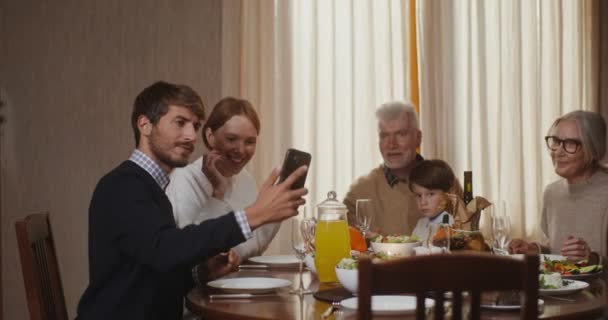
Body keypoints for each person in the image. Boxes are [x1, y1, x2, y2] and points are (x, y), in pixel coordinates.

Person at [75, 81, 307, 320]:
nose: (190, 136)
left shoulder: (150, 186)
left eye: (195, 126)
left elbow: (154, 268)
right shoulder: (123, 186)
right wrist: (254, 214)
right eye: (180, 123)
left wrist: (201, 273)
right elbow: (165, 249)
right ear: (144, 125)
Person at [166, 97, 279, 261]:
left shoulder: (245, 178)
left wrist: (276, 211)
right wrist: (218, 193)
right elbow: (199, 254)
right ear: (210, 136)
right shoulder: (185, 179)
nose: (241, 150)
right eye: (231, 139)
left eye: (250, 142)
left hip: (242, 282)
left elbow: (253, 250)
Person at [509, 110, 607, 267]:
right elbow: (559, 255)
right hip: (557, 290)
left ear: (594, 150)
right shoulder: (552, 193)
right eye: (555, 141)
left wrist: (592, 259)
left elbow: (587, 260)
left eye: (570, 143)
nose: (558, 152)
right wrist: (535, 250)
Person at [343, 101, 423, 236]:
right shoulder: (359, 192)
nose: (391, 145)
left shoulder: (444, 181)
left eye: (401, 134)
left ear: (418, 138)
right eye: (384, 136)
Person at [408, 159, 457, 242]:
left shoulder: (448, 223)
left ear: (448, 193)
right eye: (419, 195)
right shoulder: (421, 223)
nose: (423, 202)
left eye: (430, 194)